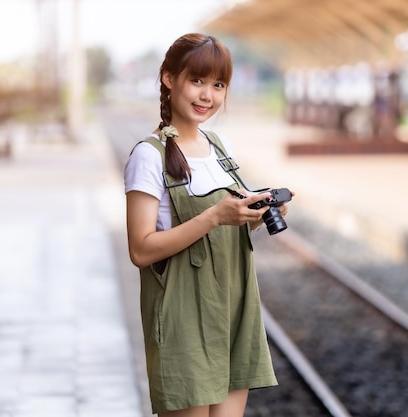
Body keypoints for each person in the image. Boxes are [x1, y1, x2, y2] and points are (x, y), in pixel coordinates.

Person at [124, 33, 291, 417]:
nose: (207, 96)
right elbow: (140, 250)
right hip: (183, 315)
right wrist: (215, 215)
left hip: (232, 306)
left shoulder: (220, 146)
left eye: (218, 85)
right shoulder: (148, 156)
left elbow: (218, 234)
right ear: (169, 79)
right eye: (196, 81)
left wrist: (251, 218)